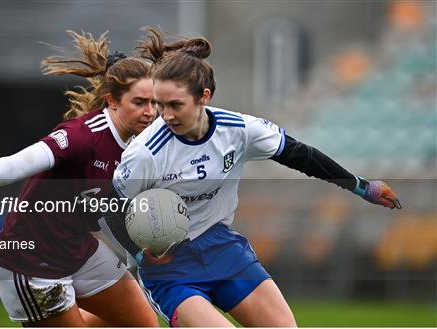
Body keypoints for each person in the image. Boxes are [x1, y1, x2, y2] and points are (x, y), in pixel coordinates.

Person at [108, 27, 402, 327]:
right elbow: (112, 206)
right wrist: (140, 256)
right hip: (171, 269)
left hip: (222, 249)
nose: (165, 115)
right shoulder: (146, 152)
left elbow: (301, 156)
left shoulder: (239, 130)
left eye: (175, 105)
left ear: (204, 97)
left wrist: (361, 186)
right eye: (159, 105)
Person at [0, 31, 158, 327]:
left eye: (154, 102)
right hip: (31, 263)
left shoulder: (139, 145)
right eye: (140, 102)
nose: (150, 112)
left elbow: (112, 210)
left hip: (79, 251)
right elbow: (27, 159)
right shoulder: (84, 134)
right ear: (112, 101)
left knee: (145, 324)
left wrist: (139, 251)